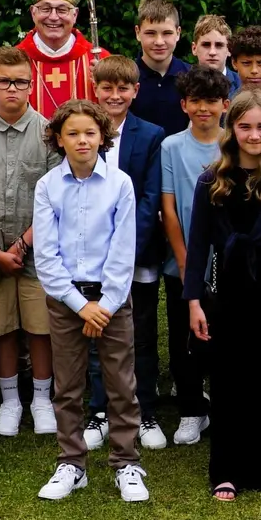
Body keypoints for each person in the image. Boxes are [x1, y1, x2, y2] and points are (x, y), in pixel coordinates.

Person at [186, 91, 261, 500]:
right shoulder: (211, 180)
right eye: (245, 126)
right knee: (228, 381)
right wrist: (194, 302)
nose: (254, 135)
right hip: (227, 291)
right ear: (231, 129)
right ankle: (227, 470)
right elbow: (198, 245)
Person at [32, 100, 149, 502]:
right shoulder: (48, 186)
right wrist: (80, 306)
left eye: (90, 133)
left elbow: (123, 249)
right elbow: (46, 256)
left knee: (120, 381)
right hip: (67, 300)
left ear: (103, 137)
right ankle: (72, 463)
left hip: (111, 297)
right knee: (68, 384)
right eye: (73, 133)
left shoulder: (120, 184)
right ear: (58, 139)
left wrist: (105, 305)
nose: (82, 140)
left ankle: (127, 462)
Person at [0, 45, 60, 437]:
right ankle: (10, 401)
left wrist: (21, 246)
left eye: (21, 82)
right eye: (4, 82)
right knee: (0, 326)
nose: (13, 90)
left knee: (39, 326)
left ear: (31, 86)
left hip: (37, 251)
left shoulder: (49, 132)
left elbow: (54, 199)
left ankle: (40, 398)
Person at [85, 56, 166, 450]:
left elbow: (150, 200)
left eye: (123, 89)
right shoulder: (83, 132)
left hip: (137, 254)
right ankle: (101, 410)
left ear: (136, 91)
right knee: (100, 331)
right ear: (95, 89)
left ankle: (144, 410)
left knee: (141, 333)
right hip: (93, 257)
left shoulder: (151, 135)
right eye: (107, 88)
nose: (114, 96)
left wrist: (125, 252)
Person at [160, 66, 232, 445]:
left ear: (225, 104)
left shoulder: (233, 144)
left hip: (227, 264)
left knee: (223, 337)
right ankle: (191, 410)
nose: (203, 109)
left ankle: (225, 406)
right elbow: (169, 209)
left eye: (211, 101)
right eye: (195, 101)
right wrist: (185, 260)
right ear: (184, 104)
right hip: (182, 262)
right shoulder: (171, 146)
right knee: (184, 339)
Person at [17, 0, 106, 115]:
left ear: (75, 14)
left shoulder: (101, 62)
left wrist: (104, 82)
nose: (53, 17)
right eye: (45, 8)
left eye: (62, 9)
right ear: (33, 12)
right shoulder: (12, 61)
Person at [131, 0, 190, 136]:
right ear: (138, 32)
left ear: (178, 33)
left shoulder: (192, 77)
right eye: (150, 33)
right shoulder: (127, 77)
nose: (159, 42)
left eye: (167, 33)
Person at [190, 14, 239, 91]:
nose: (212, 52)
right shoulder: (182, 85)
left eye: (219, 45)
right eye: (206, 45)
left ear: (229, 49)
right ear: (194, 48)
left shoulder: (243, 86)